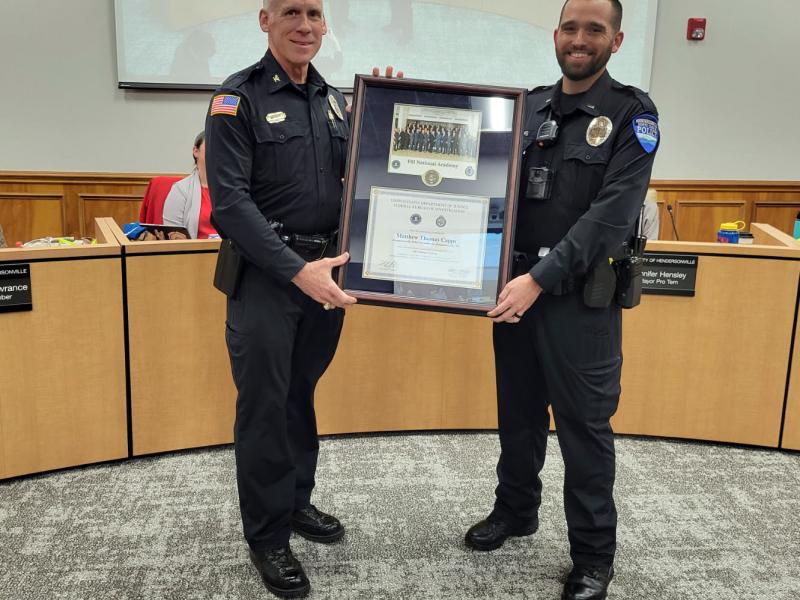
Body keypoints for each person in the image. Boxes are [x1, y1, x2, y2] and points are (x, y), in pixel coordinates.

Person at [464, 1, 660, 599]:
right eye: (571, 28)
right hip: (516, 294)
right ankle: (516, 510)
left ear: (616, 40)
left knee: (584, 429)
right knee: (517, 417)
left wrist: (540, 279)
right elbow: (473, 180)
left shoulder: (633, 114)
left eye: (594, 30)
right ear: (556, 35)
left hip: (578, 302)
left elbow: (610, 218)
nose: (580, 39)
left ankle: (594, 555)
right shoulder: (527, 108)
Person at [204, 1, 358, 597]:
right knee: (264, 407)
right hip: (269, 280)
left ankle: (296, 502)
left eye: (315, 13)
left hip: (324, 278)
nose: (305, 25)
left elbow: (366, 178)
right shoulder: (235, 100)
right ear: (265, 20)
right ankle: (267, 536)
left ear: (325, 25)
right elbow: (231, 206)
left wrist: (396, 115)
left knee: (299, 394)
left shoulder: (338, 101)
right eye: (291, 11)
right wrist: (298, 272)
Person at [162, 131, 218, 239]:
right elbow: (173, 233)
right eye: (211, 146)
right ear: (195, 151)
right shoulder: (180, 190)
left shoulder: (234, 188)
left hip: (230, 253)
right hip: (196, 254)